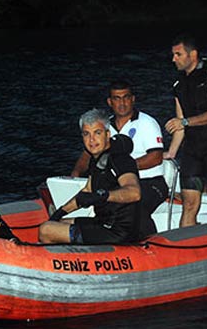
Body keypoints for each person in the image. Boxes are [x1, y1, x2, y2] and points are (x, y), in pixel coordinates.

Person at [71, 81, 168, 235]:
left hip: (151, 183)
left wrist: (121, 168)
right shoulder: (104, 127)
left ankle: (149, 243)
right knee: (108, 204)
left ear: (133, 99)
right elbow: (86, 156)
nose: (122, 103)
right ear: (110, 102)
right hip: (116, 183)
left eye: (126, 97)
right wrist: (75, 176)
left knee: (134, 205)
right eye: (117, 98)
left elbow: (156, 157)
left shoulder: (147, 123)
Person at [39, 109, 142, 244]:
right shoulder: (97, 160)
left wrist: (102, 195)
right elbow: (87, 191)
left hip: (118, 232)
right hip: (102, 223)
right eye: (86, 134)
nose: (91, 140)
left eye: (97, 133)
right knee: (59, 222)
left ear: (107, 134)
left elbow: (134, 193)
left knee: (46, 230)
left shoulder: (120, 160)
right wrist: (60, 212)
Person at [164, 34, 207, 227]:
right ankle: (187, 246)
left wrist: (185, 122)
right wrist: (171, 152)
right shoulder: (178, 84)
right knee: (189, 203)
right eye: (173, 55)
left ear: (192, 54)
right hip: (193, 150)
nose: (173, 59)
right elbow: (179, 124)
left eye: (178, 54)